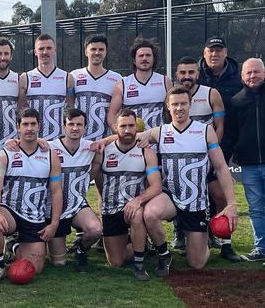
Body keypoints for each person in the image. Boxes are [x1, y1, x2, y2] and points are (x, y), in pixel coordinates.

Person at [141, 86, 239, 273]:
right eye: (175, 104)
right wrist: (102, 143)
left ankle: (201, 242)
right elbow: (128, 137)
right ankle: (163, 253)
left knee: (197, 263)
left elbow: (221, 168)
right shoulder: (160, 132)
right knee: (150, 213)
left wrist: (231, 203)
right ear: (168, 107)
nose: (179, 108)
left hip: (196, 201)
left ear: (190, 105)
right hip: (169, 195)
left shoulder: (205, 131)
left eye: (183, 104)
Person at [0, 108, 62, 285]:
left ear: (39, 126)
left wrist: (54, 223)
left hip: (35, 216)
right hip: (9, 210)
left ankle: (13, 245)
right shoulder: (6, 153)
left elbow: (56, 191)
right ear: (18, 127)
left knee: (36, 268)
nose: (29, 128)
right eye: (25, 124)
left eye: (33, 124)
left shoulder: (50, 154)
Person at [173, 56, 240, 262]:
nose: (187, 77)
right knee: (177, 193)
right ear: (177, 75)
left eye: (191, 72)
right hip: (183, 161)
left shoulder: (211, 93)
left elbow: (219, 126)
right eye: (183, 73)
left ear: (198, 74)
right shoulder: (173, 97)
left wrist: (211, 152)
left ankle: (226, 243)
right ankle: (180, 233)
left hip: (207, 157)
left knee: (220, 196)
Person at [92, 109, 162, 280]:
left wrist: (138, 200)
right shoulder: (104, 150)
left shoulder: (146, 152)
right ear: (116, 128)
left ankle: (139, 264)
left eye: (131, 126)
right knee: (116, 261)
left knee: (137, 215)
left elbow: (156, 186)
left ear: (136, 128)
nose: (127, 130)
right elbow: (94, 177)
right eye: (123, 126)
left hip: (132, 208)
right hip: (111, 210)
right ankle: (140, 243)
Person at [47, 108, 102, 272]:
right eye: (71, 124)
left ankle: (81, 249)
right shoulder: (49, 147)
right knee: (58, 263)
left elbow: (113, 141)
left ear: (85, 128)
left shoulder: (91, 147)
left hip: (77, 205)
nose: (75, 128)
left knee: (95, 229)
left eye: (79, 124)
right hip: (54, 208)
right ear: (64, 126)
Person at [222, 58, 265, 263]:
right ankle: (261, 248)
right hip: (248, 165)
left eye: (256, 72)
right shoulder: (236, 101)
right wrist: (222, 162)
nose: (252, 76)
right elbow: (230, 135)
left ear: (263, 73)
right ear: (242, 76)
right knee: (256, 207)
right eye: (248, 73)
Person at [107, 38, 173, 131]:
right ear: (134, 60)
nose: (144, 58)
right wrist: (119, 131)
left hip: (157, 140)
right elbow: (112, 114)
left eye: (148, 55)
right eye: (141, 56)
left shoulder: (165, 81)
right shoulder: (122, 84)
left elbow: (171, 111)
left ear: (154, 59)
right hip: (132, 142)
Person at [18, 33, 74, 140]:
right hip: (34, 140)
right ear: (35, 52)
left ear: (55, 50)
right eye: (41, 49)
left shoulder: (67, 78)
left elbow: (71, 108)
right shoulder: (25, 78)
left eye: (49, 48)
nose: (45, 52)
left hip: (59, 140)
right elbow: (21, 109)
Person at [71, 34, 122, 141]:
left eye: (101, 49)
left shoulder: (117, 79)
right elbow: (69, 106)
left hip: (104, 140)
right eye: (93, 49)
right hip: (78, 141)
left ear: (106, 52)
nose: (97, 53)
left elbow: (117, 111)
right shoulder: (74, 76)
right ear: (86, 52)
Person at [197, 36, 242, 110]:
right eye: (211, 51)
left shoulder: (238, 78)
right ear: (204, 54)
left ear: (225, 53)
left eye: (218, 50)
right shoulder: (195, 77)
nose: (214, 54)